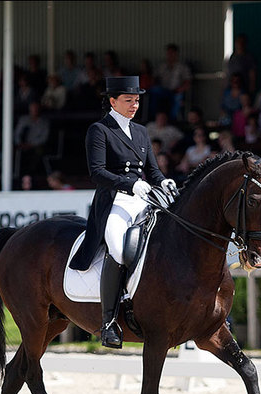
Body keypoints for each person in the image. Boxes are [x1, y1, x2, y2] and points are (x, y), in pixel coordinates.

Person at [68, 76, 177, 349]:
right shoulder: (99, 130)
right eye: (128, 100)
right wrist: (130, 184)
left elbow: (151, 169)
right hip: (115, 201)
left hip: (144, 200)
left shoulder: (140, 131)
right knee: (117, 248)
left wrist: (163, 181)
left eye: (137, 100)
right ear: (113, 101)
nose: (134, 105)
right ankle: (108, 322)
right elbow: (97, 172)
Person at [151, 43, 192, 121]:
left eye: (172, 53)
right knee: (154, 91)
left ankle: (172, 120)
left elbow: (188, 82)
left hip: (176, 91)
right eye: (168, 53)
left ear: (176, 54)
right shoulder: (162, 66)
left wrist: (180, 89)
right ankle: (155, 118)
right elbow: (154, 78)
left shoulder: (182, 67)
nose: (170, 55)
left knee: (178, 98)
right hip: (164, 90)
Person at [14, 101, 50, 182]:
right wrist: (20, 143)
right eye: (32, 109)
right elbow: (17, 134)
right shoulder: (23, 120)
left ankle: (31, 175)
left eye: (36, 109)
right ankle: (16, 175)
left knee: (38, 152)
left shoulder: (44, 122)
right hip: (22, 145)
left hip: (37, 146)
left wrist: (30, 145)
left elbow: (44, 138)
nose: (34, 111)